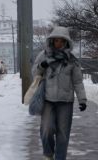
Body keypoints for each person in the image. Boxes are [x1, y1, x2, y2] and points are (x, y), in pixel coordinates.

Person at [33, 26, 87, 160]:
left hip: (66, 102)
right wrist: (42, 66)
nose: (59, 44)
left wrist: (82, 100)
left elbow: (78, 82)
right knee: (46, 129)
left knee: (63, 133)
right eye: (56, 41)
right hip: (47, 99)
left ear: (66, 42)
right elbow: (34, 73)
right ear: (52, 41)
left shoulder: (72, 60)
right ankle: (48, 154)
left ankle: (60, 158)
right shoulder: (43, 55)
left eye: (62, 41)